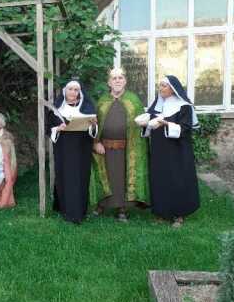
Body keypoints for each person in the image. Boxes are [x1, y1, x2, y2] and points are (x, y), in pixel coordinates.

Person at [138, 75, 200, 227]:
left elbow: (185, 129)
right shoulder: (156, 106)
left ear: (173, 88)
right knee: (160, 180)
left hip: (178, 151)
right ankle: (161, 213)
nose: (161, 88)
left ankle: (179, 215)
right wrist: (145, 124)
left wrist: (166, 124)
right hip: (159, 151)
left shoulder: (184, 106)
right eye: (160, 86)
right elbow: (149, 128)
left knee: (177, 180)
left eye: (164, 86)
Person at [90, 68, 150, 221]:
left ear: (125, 81)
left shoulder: (133, 100)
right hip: (104, 148)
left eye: (120, 78)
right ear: (109, 82)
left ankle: (122, 209)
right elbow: (95, 124)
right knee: (105, 177)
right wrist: (96, 142)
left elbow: (141, 125)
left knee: (122, 177)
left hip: (126, 148)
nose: (117, 80)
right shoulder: (102, 101)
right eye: (114, 78)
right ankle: (102, 204)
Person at [46, 80, 98, 224]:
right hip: (63, 149)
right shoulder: (57, 109)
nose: (73, 92)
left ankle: (80, 210)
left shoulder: (87, 108)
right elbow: (48, 128)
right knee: (66, 176)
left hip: (82, 149)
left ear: (80, 92)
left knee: (81, 177)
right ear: (64, 91)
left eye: (76, 90)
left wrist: (93, 125)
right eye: (70, 89)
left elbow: (93, 132)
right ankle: (66, 210)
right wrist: (58, 128)